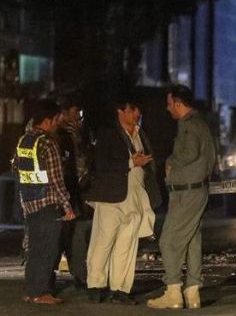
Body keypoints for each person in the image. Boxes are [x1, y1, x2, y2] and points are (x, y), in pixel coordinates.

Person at [84, 96, 160, 304]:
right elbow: (101, 164)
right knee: (103, 241)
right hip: (111, 196)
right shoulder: (108, 133)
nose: (137, 114)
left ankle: (120, 289)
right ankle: (95, 284)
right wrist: (130, 162)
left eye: (138, 110)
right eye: (132, 110)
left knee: (127, 245)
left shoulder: (140, 133)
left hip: (135, 195)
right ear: (120, 111)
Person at [148, 85, 216, 310]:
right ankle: (192, 292)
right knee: (192, 241)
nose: (168, 109)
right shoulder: (201, 124)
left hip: (186, 192)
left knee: (168, 240)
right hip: (195, 190)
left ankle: (173, 292)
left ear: (178, 103)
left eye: (169, 104)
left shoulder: (188, 125)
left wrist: (170, 162)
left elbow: (189, 153)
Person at [12, 100, 76, 304]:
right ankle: (41, 292)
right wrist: (67, 206)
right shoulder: (48, 143)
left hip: (30, 202)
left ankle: (31, 291)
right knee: (48, 249)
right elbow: (56, 179)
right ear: (48, 120)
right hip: (48, 204)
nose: (57, 124)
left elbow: (16, 170)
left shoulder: (24, 140)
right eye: (56, 120)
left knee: (34, 249)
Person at [55, 96, 89, 288]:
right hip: (58, 190)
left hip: (74, 188)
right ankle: (47, 277)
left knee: (75, 233)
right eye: (76, 112)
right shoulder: (53, 133)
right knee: (59, 233)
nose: (78, 117)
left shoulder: (76, 132)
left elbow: (82, 158)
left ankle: (79, 274)